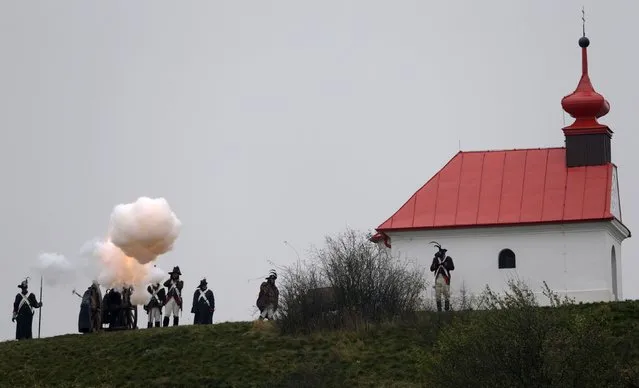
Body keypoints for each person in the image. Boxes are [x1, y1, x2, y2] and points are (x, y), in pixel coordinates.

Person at [429, 243, 455, 311]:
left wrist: (445, 264)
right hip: (438, 278)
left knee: (446, 295)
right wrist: (436, 265)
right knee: (438, 295)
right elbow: (431, 268)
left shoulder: (448, 258)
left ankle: (447, 309)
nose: (441, 257)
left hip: (445, 278)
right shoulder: (435, 259)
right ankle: (439, 310)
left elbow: (452, 267)